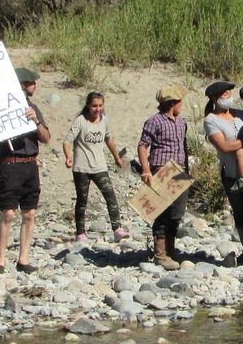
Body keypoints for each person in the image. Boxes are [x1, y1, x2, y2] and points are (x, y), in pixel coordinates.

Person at [0, 67, 51, 275]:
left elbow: (46, 138)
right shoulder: (1, 109)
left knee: (30, 212)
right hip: (10, 162)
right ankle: (0, 259)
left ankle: (23, 258)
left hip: (30, 163)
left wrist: (35, 121)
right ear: (24, 85)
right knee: (8, 212)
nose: (35, 86)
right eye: (32, 82)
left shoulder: (34, 108)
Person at [203, 81, 243, 264]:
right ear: (215, 98)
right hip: (230, 172)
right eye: (224, 94)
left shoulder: (240, 114)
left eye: (229, 93)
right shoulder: (211, 120)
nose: (228, 97)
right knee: (239, 211)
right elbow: (223, 146)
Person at [63, 91, 130, 243]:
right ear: (88, 105)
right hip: (81, 168)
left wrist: (116, 157)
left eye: (100, 105)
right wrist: (68, 157)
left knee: (110, 196)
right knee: (82, 201)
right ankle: (80, 233)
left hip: (100, 166)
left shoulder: (104, 120)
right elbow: (67, 141)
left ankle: (117, 229)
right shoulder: (80, 121)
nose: (97, 109)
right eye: (94, 106)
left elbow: (108, 139)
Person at [138, 85, 189, 270]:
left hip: (180, 170)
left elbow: (184, 147)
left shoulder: (182, 122)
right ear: (172, 103)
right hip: (162, 170)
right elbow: (143, 145)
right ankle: (160, 254)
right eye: (179, 102)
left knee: (177, 213)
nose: (182, 105)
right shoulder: (155, 121)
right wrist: (146, 170)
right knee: (163, 213)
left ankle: (170, 250)